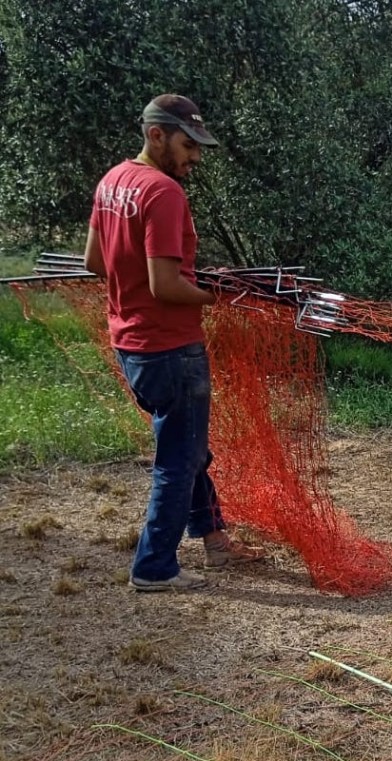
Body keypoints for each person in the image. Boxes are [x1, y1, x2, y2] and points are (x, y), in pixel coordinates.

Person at [83, 94, 264, 592]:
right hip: (171, 346)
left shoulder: (111, 182)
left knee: (188, 449)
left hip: (131, 343)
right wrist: (217, 294)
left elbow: (95, 264)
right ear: (156, 134)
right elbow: (166, 287)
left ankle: (215, 543)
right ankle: (154, 567)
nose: (195, 157)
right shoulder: (162, 192)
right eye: (188, 145)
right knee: (178, 461)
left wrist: (148, 283)